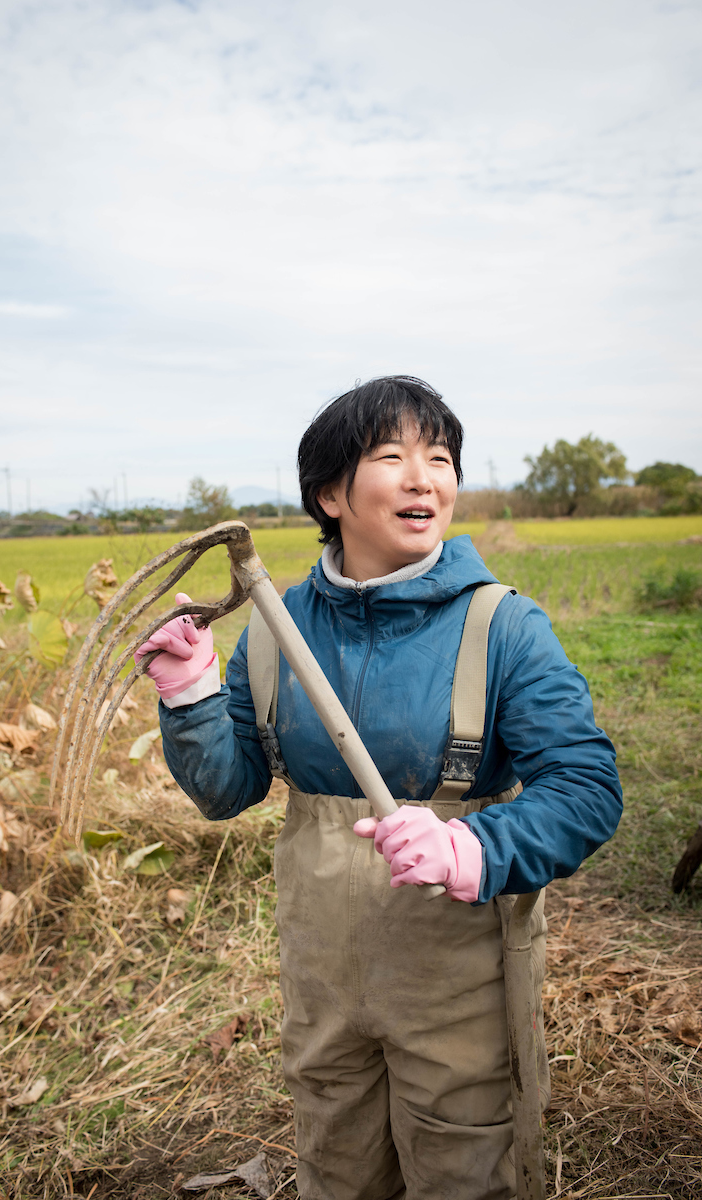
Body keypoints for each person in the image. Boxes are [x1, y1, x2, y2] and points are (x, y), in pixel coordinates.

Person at [137, 376, 622, 1200]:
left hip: (453, 961)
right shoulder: (276, 628)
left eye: (439, 458)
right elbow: (225, 791)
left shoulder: (500, 626)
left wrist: (472, 843)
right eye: (391, 456)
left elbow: (585, 787)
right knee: (336, 1153)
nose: (422, 478)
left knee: (459, 1155)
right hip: (322, 965)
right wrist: (189, 697)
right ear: (330, 493)